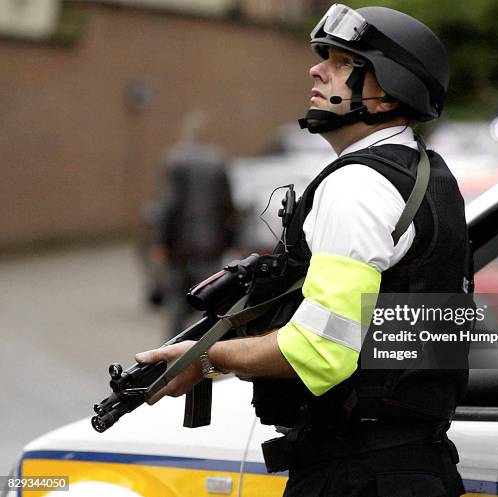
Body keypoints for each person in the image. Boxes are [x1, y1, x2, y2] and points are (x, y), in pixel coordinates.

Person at [136, 5, 472, 496]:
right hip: (413, 464)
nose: (317, 69)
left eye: (342, 62)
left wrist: (206, 360)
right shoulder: (427, 174)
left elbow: (322, 350)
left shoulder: (357, 186)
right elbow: (396, 328)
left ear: (387, 93)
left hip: (356, 473)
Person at [151, 111, 237, 338]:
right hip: (212, 244)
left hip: (180, 245)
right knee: (208, 299)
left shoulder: (174, 160)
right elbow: (229, 205)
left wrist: (161, 242)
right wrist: (230, 239)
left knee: (177, 301)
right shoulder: (219, 161)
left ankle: (172, 350)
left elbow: (168, 205)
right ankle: (206, 347)